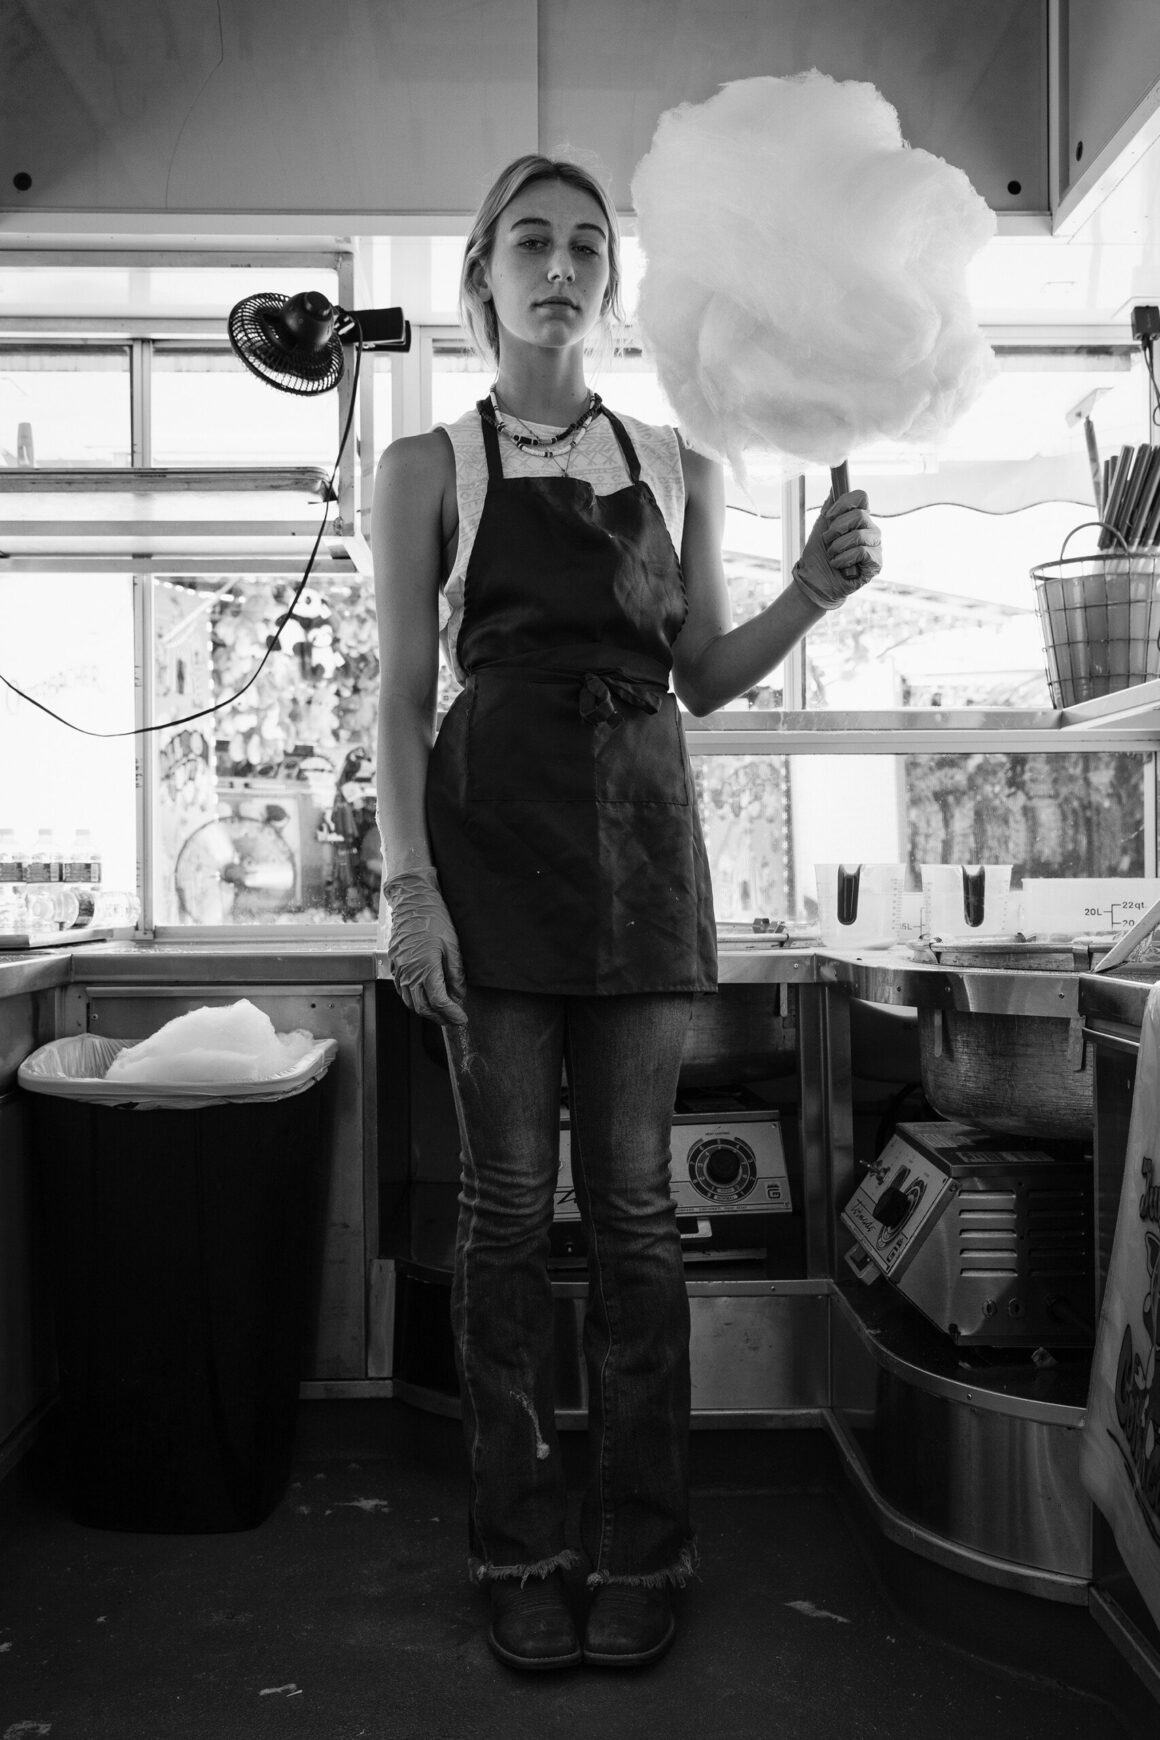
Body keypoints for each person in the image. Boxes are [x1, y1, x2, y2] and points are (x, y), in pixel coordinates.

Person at [373, 153, 881, 1673]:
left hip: (647, 856)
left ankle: (645, 1549)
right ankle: (523, 1543)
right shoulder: (430, 466)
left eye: (587, 245)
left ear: (612, 279)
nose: (562, 264)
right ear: (482, 275)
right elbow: (401, 698)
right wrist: (408, 893)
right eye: (532, 240)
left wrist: (811, 592)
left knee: (648, 1224)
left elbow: (702, 678)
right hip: (490, 856)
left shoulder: (673, 460)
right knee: (510, 1218)